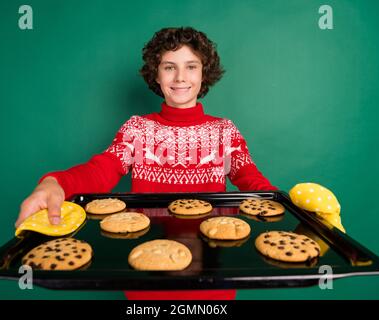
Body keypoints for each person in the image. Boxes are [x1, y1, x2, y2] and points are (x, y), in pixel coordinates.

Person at [15, 27, 278, 300]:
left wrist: (281, 201)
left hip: (211, 277)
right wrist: (55, 183)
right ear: (156, 73)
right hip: (147, 278)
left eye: (191, 66)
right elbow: (103, 168)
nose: (180, 77)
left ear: (203, 73)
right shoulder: (137, 129)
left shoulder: (224, 131)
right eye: (169, 67)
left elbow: (249, 176)